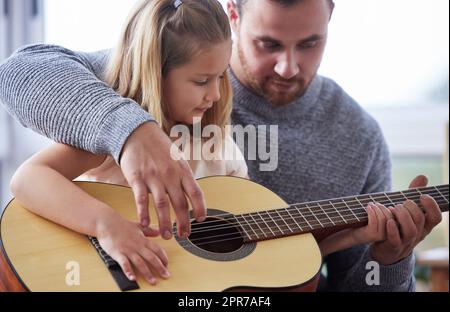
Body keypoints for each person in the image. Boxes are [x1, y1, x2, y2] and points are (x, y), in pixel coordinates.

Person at [0, 0, 443, 291]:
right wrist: (129, 132)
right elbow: (22, 72)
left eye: (309, 44)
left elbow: (267, 266)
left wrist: (382, 254)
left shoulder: (352, 137)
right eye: (267, 43)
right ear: (234, 15)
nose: (288, 66)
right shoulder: (163, 64)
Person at [8, 0, 250, 285]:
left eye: (220, 77)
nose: (215, 95)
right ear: (155, 73)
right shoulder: (117, 140)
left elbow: (244, 224)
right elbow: (26, 180)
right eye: (201, 81)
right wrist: (104, 224)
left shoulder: (219, 144)